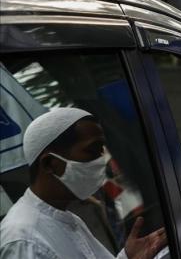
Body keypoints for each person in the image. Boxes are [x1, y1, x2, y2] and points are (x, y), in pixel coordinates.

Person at [0, 108, 167, 258]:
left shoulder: (68, 219)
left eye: (102, 150)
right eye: (93, 150)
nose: (102, 160)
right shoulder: (24, 241)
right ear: (50, 164)